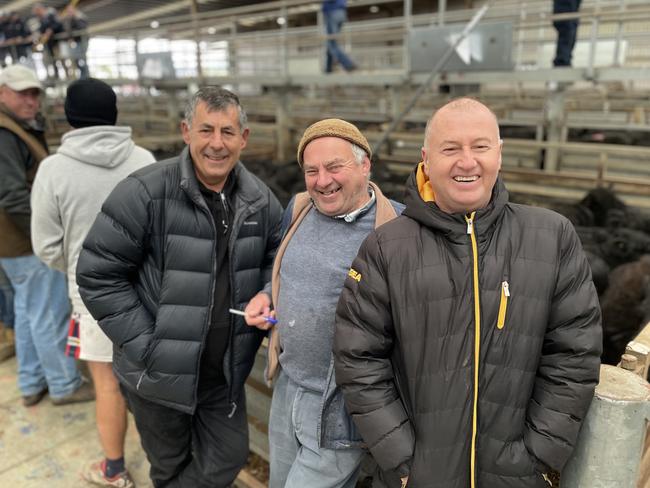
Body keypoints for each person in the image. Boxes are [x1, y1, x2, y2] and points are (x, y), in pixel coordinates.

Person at [333, 97, 602, 488]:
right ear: (426, 159)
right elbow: (358, 357)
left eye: (480, 146)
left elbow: (574, 353)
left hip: (515, 475)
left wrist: (541, 455)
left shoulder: (552, 236)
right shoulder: (386, 248)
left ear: (499, 153)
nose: (467, 161)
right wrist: (403, 460)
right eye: (450, 148)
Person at [77, 86, 284, 488]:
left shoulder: (259, 199)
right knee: (169, 464)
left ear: (244, 138)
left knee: (228, 455)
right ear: (186, 131)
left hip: (222, 374)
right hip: (156, 377)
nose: (217, 144)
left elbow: (278, 254)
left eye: (228, 132)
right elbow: (98, 274)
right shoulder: (145, 192)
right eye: (206, 130)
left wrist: (267, 292)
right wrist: (149, 346)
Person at [245, 119, 404, 488]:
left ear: (365, 165)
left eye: (335, 167)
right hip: (289, 385)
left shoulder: (396, 227)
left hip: (342, 401)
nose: (322, 180)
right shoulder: (299, 208)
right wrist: (267, 297)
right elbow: (283, 268)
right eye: (311, 171)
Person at [31, 78, 155, 488]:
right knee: (153, 379)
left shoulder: (53, 169)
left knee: (107, 384)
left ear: (68, 117)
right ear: (115, 114)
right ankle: (169, 467)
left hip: (91, 298)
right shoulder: (144, 159)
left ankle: (114, 470)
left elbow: (46, 244)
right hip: (148, 292)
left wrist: (76, 268)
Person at [0, 64, 94, 407]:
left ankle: (31, 381)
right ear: (2, 93)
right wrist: (45, 237)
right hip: (25, 244)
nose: (30, 100)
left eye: (34, 93)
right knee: (49, 314)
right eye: (22, 93)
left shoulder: (15, 128)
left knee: (28, 312)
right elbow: (11, 196)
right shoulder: (6, 133)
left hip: (13, 245)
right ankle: (63, 384)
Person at [322, 0, 356, 73]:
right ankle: (328, 69)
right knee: (330, 43)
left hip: (333, 11)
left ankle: (348, 64)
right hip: (340, 12)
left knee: (332, 43)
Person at [32, 4, 65, 79]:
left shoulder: (51, 15)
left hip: (58, 42)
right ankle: (57, 75)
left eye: (37, 12)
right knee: (53, 60)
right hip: (49, 43)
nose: (37, 14)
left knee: (62, 59)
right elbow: (41, 29)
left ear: (40, 9)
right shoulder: (41, 19)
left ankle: (67, 75)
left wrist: (51, 30)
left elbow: (58, 24)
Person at [61, 5, 89, 79]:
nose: (69, 13)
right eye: (68, 11)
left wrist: (76, 18)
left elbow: (82, 28)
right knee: (76, 59)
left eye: (70, 11)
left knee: (82, 59)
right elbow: (68, 29)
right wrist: (70, 38)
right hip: (76, 42)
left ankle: (85, 76)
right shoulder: (70, 19)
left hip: (82, 41)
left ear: (74, 10)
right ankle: (83, 75)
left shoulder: (80, 17)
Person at [553, 0, 582, 67]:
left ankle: (564, 60)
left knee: (569, 33)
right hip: (566, 13)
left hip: (569, 13)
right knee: (567, 31)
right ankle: (562, 60)